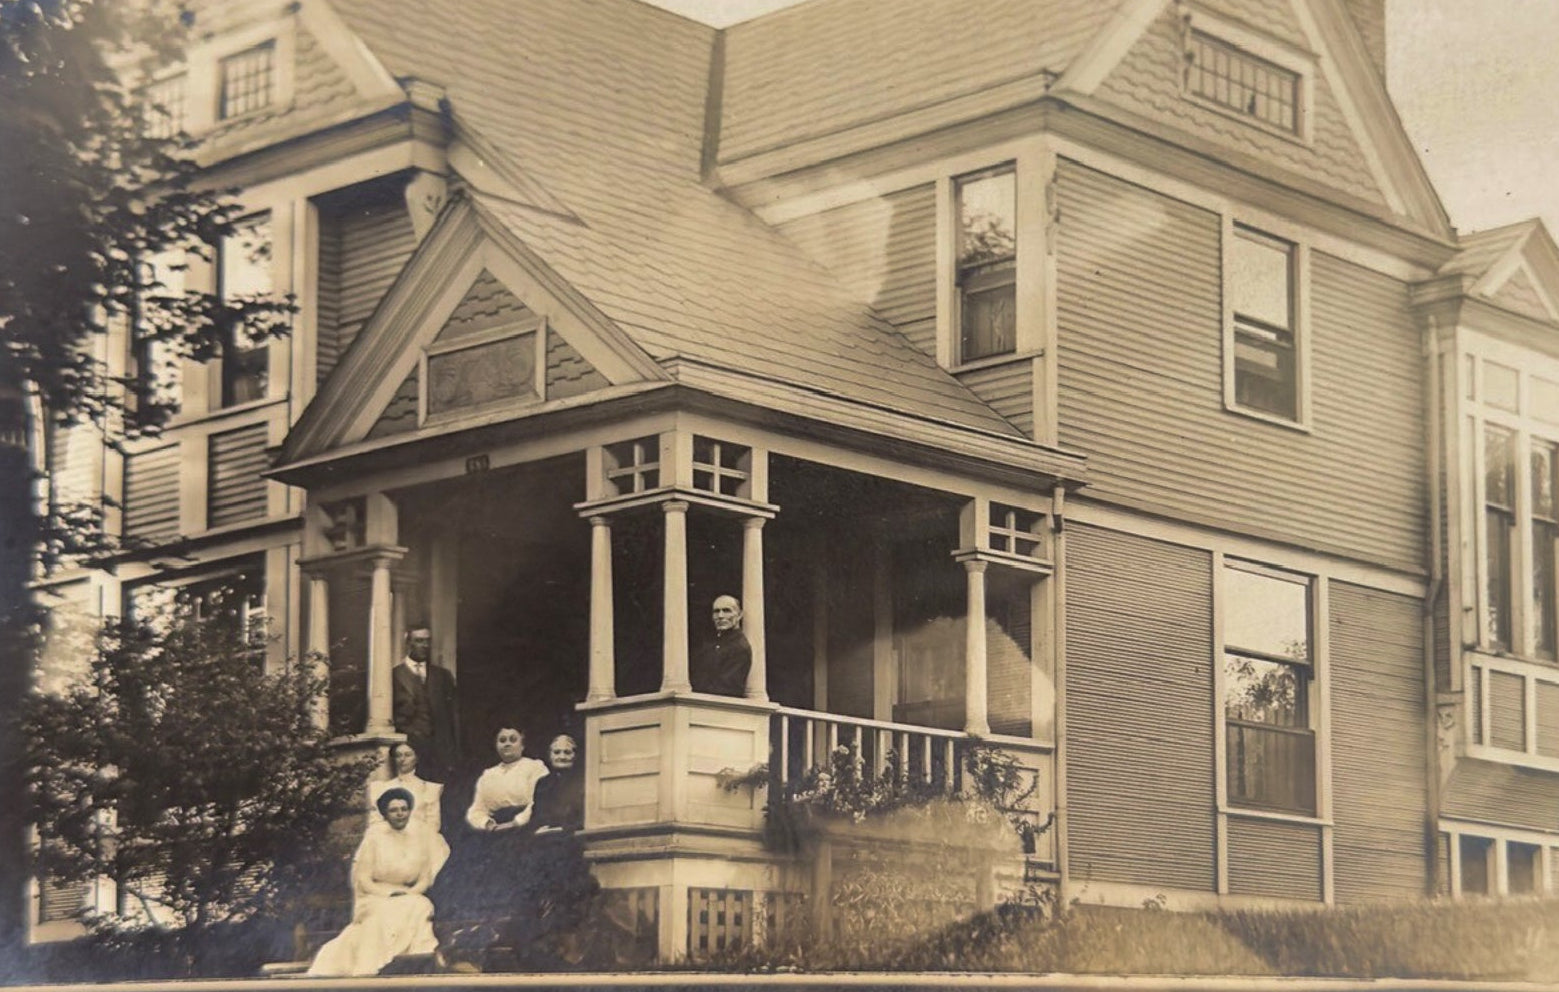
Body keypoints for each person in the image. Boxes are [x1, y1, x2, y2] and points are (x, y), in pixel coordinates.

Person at [307, 787, 450, 977]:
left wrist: (412, 892)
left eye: (404, 809)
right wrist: (388, 894)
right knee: (387, 912)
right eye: (394, 810)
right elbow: (364, 879)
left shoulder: (418, 839)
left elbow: (424, 877)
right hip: (375, 894)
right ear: (385, 814)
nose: (400, 814)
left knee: (421, 904)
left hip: (408, 894)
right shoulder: (374, 838)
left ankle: (415, 957)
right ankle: (373, 963)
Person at [392, 624, 460, 781]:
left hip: (439, 753)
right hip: (409, 751)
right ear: (408, 643)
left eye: (427, 641)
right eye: (419, 641)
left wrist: (454, 754)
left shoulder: (442, 676)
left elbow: (453, 717)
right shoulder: (394, 675)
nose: (425, 646)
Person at [465, 727, 549, 832]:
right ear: (496, 745)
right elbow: (476, 810)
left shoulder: (535, 767)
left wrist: (515, 823)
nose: (507, 744)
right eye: (502, 740)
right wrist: (488, 824)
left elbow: (540, 802)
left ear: (522, 745)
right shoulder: (488, 775)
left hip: (527, 826)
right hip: (496, 830)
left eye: (513, 740)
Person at [369, 741, 444, 834]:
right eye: (398, 755)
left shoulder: (428, 788)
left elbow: (433, 825)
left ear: (416, 758)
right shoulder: (381, 788)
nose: (402, 759)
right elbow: (375, 822)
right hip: (389, 841)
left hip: (420, 841)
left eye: (408, 755)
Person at [689, 594, 751, 697]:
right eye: (716, 611)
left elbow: (726, 688)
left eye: (727, 611)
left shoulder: (740, 647)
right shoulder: (710, 644)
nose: (720, 616)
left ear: (739, 615)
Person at [531, 735, 584, 835]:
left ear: (575, 755)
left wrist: (563, 828)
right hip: (545, 836)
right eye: (557, 752)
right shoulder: (542, 783)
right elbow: (537, 816)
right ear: (550, 755)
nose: (562, 757)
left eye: (567, 752)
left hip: (574, 835)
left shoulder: (583, 781)